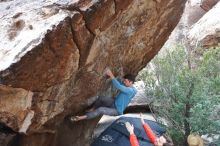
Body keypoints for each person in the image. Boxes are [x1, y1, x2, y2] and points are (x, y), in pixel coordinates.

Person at [71, 68, 137, 121]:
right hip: (114, 102)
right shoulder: (128, 87)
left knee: (101, 109)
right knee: (101, 98)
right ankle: (93, 109)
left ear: (131, 82)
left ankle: (79, 118)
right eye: (124, 81)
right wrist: (120, 76)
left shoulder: (130, 91)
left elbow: (119, 86)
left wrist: (111, 75)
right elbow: (121, 83)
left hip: (117, 110)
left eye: (126, 81)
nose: (124, 82)